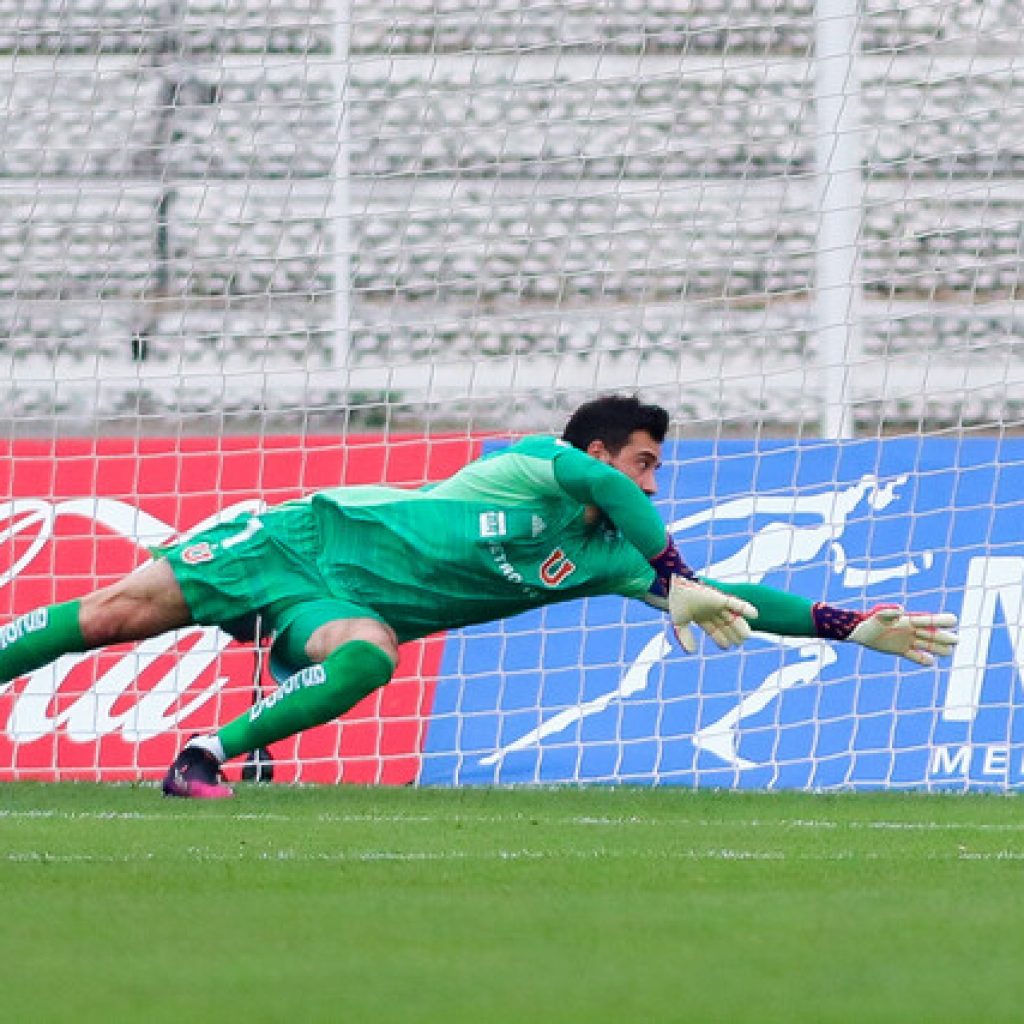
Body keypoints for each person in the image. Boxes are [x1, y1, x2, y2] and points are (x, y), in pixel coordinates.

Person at [0, 394, 959, 798]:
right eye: (642, 462)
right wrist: (675, 577)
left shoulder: (613, 559)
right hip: (295, 538)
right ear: (594, 458)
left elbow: (732, 596)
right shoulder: (534, 469)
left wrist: (848, 623)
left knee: (370, 655)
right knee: (108, 620)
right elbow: (642, 524)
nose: (652, 485)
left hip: (330, 603)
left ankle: (205, 755)